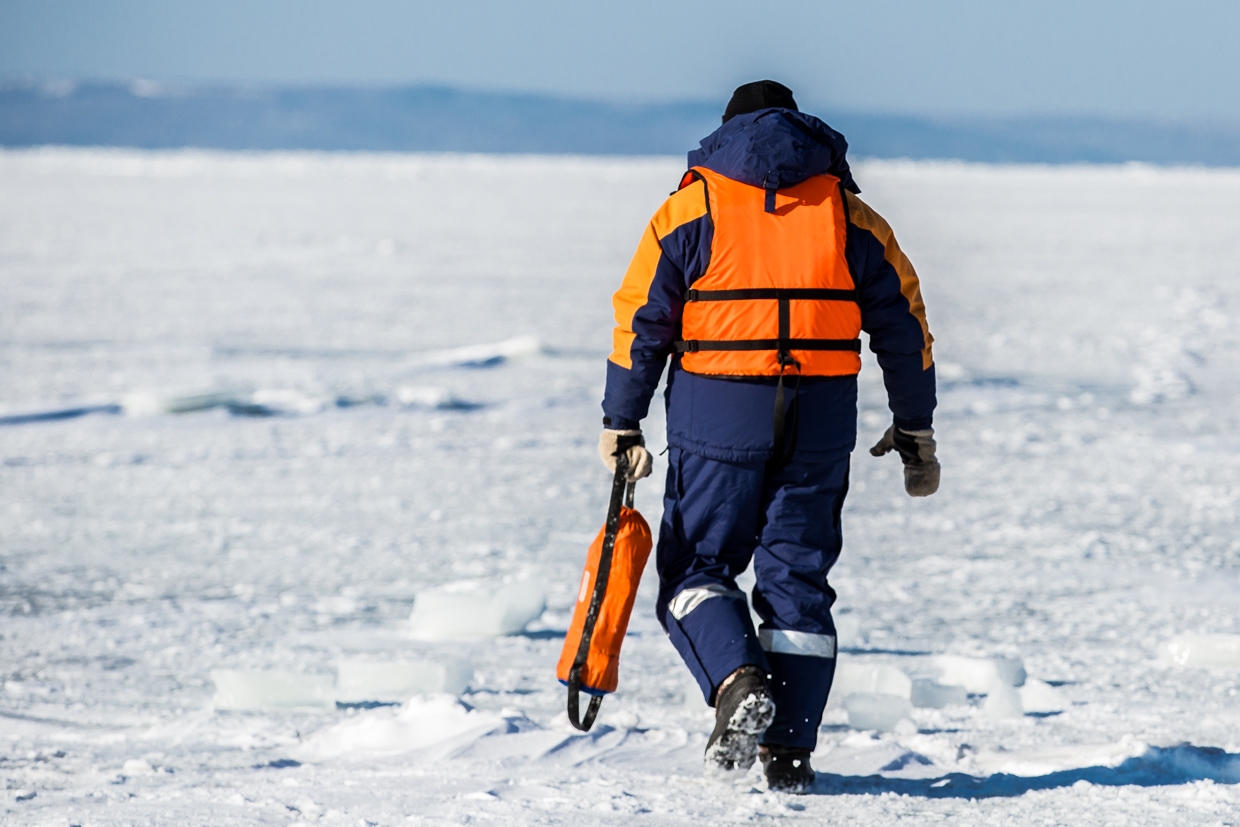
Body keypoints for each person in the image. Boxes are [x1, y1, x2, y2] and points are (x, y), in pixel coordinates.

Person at [597, 80, 939, 793]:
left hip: (718, 415)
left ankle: (735, 681)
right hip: (818, 422)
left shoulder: (688, 210)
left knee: (695, 569)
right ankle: (789, 754)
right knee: (798, 583)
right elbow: (905, 325)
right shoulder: (849, 215)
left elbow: (641, 323)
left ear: (725, 135)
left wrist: (621, 420)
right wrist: (915, 425)